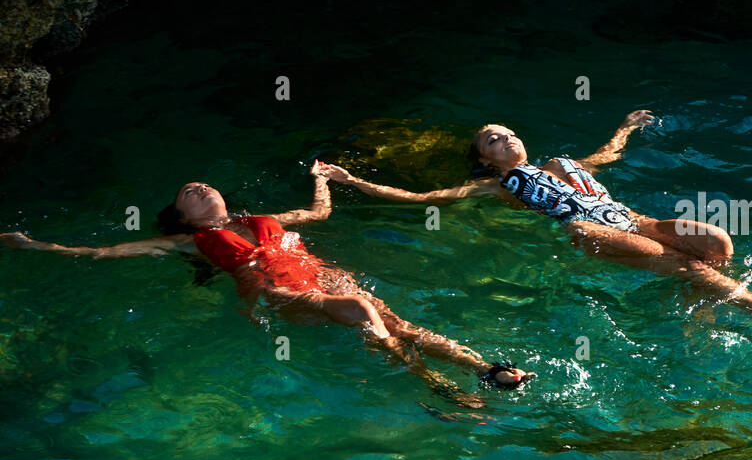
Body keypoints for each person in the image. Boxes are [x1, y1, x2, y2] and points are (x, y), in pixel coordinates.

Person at [0, 162, 533, 394]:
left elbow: (318, 213)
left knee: (402, 324)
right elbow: (104, 253)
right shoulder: (190, 241)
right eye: (189, 193)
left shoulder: (260, 219)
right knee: (366, 316)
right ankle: (436, 390)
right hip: (277, 294)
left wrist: (321, 179)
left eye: (203, 184)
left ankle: (488, 371)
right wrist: (37, 245)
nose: (200, 187)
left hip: (323, 278)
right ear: (184, 218)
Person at [318, 113, 752, 329]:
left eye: (506, 132)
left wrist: (627, 127)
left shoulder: (560, 163)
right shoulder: (496, 185)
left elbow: (606, 157)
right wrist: (353, 182)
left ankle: (698, 309)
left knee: (717, 244)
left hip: (630, 217)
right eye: (491, 140)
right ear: (484, 159)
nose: (505, 139)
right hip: (590, 233)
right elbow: (420, 196)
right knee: (690, 268)